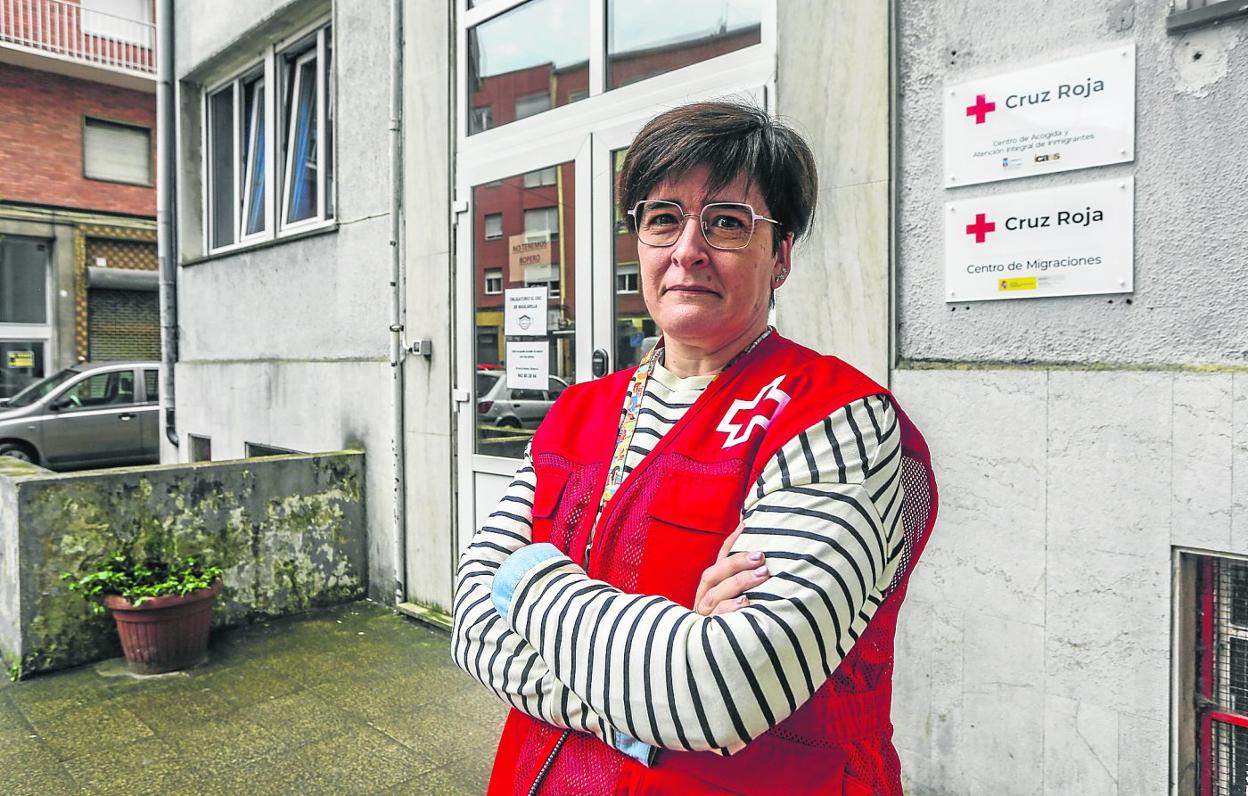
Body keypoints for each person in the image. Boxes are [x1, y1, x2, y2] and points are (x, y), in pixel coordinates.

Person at [452, 101, 938, 795]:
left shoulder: (835, 419)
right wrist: (646, 697)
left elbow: (722, 688)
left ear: (781, 256)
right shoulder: (575, 413)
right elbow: (471, 628)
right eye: (662, 220)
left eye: (727, 224)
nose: (688, 251)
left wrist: (520, 579)